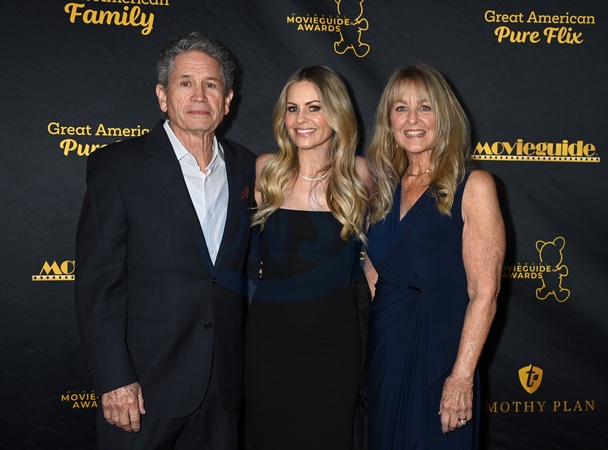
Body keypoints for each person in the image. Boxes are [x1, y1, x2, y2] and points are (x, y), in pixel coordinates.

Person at [75, 32, 256, 450]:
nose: (199, 95)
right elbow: (97, 286)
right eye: (185, 82)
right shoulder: (117, 167)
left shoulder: (247, 167)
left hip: (224, 388)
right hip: (143, 387)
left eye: (211, 84)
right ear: (162, 96)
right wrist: (114, 378)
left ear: (227, 101)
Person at [364, 64, 505, 449]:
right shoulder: (382, 189)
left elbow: (485, 293)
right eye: (401, 108)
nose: (412, 119)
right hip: (386, 350)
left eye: (424, 107)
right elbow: (372, 278)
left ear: (444, 117)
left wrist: (461, 377)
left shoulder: (474, 185)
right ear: (388, 121)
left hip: (443, 351)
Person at [244, 65, 373, 450]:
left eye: (314, 107)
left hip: (335, 342)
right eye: (293, 108)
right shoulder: (266, 170)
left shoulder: (360, 174)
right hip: (269, 340)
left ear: (336, 113)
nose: (301, 119)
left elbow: (379, 256)